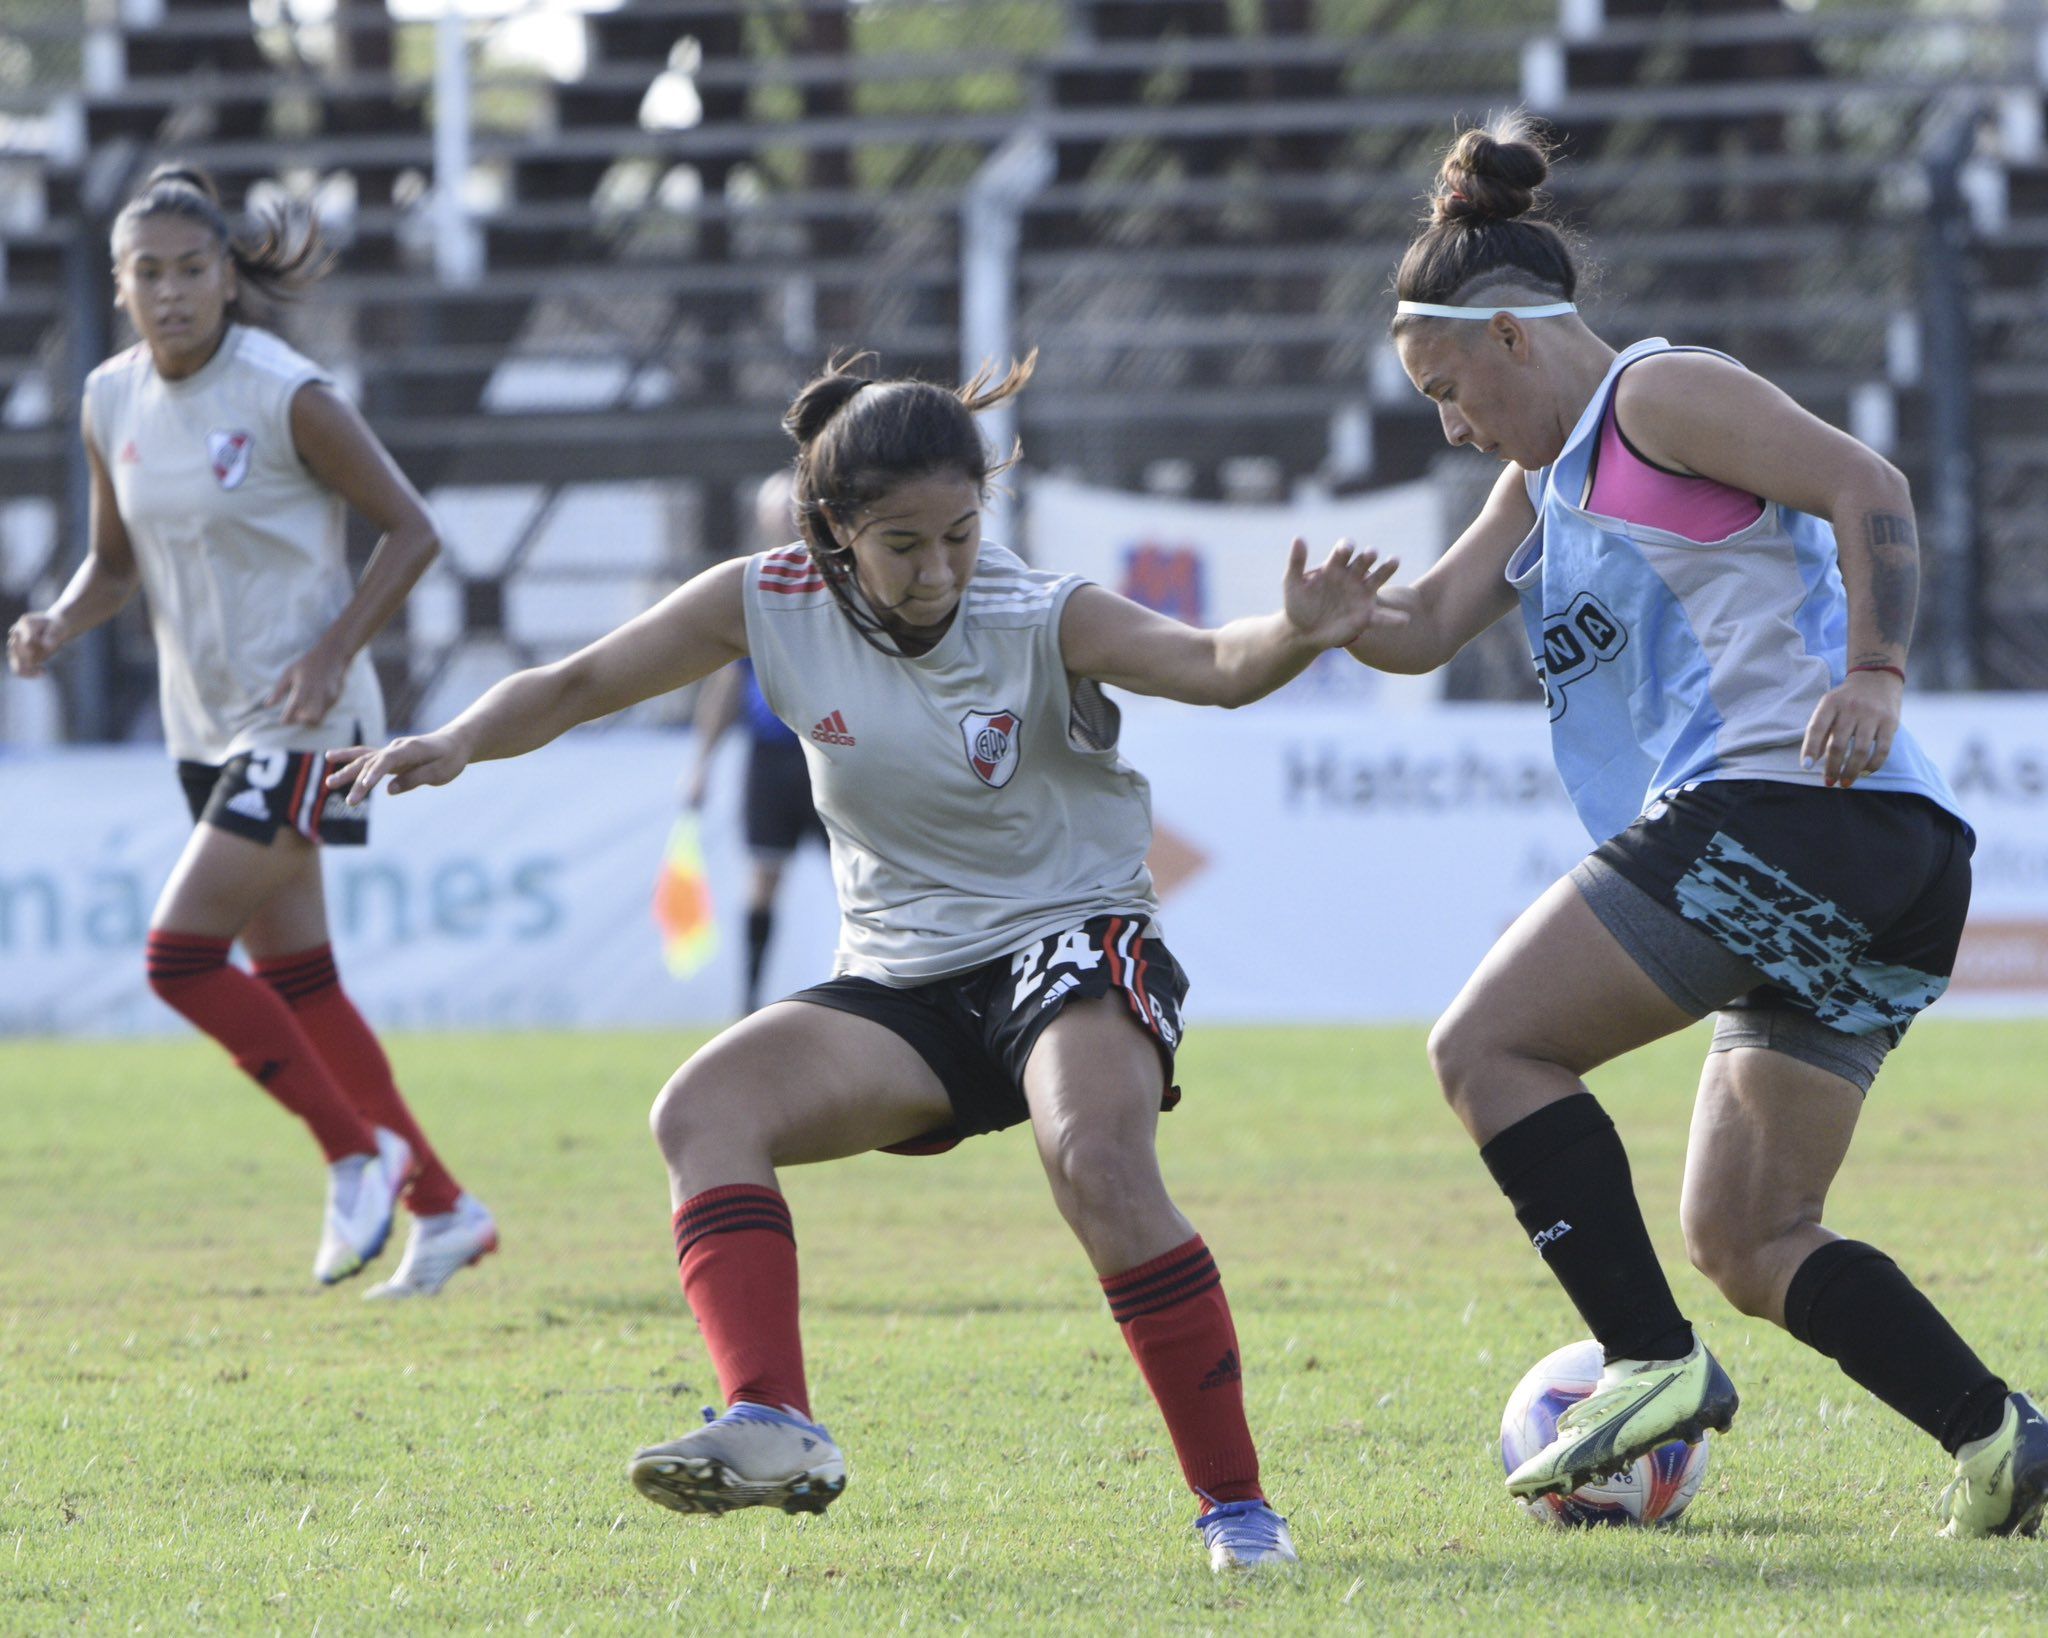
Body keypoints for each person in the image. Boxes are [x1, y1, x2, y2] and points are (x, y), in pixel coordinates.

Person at [327, 352, 1405, 1569]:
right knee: (703, 1107)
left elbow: (1211, 665)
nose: (940, 568)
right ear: (832, 530)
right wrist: (461, 739)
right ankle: (774, 1421)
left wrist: (1294, 636)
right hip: (903, 982)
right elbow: (580, 680)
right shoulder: (765, 596)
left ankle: (1237, 1510)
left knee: (1095, 1160)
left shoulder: (1039, 612)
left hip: (1072, 940)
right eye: (903, 544)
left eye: (959, 532)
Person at [1344, 119, 2045, 1537]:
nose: (1449, 421)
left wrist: (1877, 671)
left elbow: (1872, 486)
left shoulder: (1657, 396)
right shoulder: (1539, 481)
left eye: (1448, 387)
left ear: (1511, 334)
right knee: (1748, 1233)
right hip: (1886, 864)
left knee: (1486, 1045)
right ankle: (2004, 1441)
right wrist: (1327, 625)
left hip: (1781, 810)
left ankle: (1650, 1362)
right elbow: (1421, 623)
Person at [4, 165, 496, 1298]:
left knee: (178, 958)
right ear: (121, 287)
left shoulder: (286, 393)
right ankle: (445, 1206)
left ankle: (352, 1150)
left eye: (192, 269)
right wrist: (59, 621)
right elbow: (117, 563)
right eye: (148, 274)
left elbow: (411, 531)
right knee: (301, 981)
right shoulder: (108, 399)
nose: (171, 292)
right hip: (210, 728)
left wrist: (331, 650)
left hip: (310, 726)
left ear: (228, 277)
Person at [685, 472, 827, 1014]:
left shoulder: (838, 587)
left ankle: (874, 989)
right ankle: (749, 1001)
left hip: (830, 754)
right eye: (777, 514)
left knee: (857, 877)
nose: (786, 522)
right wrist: (701, 762)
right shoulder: (750, 593)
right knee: (763, 877)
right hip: (769, 760)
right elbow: (726, 685)